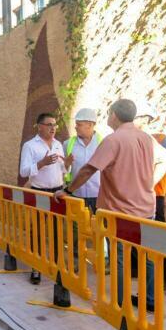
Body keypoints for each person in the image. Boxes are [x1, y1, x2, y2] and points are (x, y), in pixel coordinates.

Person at [55, 99, 166, 312]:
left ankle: (119, 302)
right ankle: (150, 300)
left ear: (114, 115)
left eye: (108, 114)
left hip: (120, 210)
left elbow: (90, 169)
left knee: (119, 257)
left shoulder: (112, 140)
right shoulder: (146, 138)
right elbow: (164, 159)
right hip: (146, 207)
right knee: (147, 256)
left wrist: (68, 190)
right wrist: (149, 183)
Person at [19, 113, 69, 283]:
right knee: (38, 232)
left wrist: (67, 164)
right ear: (39, 126)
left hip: (57, 193)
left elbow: (62, 170)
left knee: (57, 232)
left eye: (54, 124)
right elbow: (23, 172)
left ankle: (56, 266)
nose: (53, 128)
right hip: (39, 192)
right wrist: (41, 163)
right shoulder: (30, 146)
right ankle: (36, 267)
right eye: (49, 124)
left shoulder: (58, 145)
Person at [134, 102, 166, 287]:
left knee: (157, 235)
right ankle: (141, 271)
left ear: (143, 119)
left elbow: (162, 161)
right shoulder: (134, 137)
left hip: (155, 194)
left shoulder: (158, 138)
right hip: (138, 195)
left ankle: (162, 276)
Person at [63, 108, 102, 261]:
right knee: (75, 228)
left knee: (101, 228)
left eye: (79, 124)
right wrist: (65, 164)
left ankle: (103, 259)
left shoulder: (103, 143)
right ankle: (76, 258)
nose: (76, 127)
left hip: (98, 194)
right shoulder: (68, 144)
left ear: (90, 125)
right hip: (76, 194)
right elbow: (62, 170)